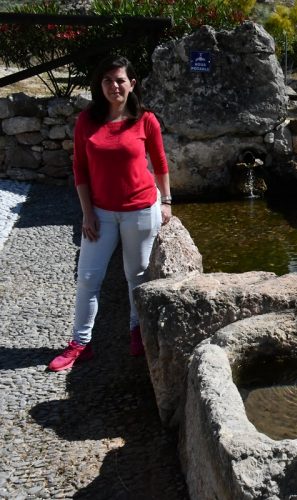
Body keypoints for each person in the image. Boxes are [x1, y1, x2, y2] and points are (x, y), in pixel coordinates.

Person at [48, 55, 172, 371]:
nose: (114, 86)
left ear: (132, 84)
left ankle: (136, 331)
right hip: (101, 213)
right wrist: (87, 213)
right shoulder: (87, 121)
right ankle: (80, 343)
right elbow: (80, 169)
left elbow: (159, 164)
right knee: (88, 277)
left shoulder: (146, 120)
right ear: (99, 85)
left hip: (141, 211)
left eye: (120, 80)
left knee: (137, 276)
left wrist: (166, 202)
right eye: (107, 80)